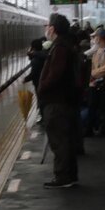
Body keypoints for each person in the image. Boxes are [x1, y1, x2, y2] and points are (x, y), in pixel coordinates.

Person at [37, 14, 82, 189]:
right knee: (66, 140)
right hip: (64, 101)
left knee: (59, 141)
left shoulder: (60, 48)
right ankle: (70, 175)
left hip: (56, 102)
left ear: (53, 29)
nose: (46, 28)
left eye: (47, 25)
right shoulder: (65, 45)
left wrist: (42, 88)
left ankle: (63, 177)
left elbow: (55, 74)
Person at [85, 27, 105, 137]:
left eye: (95, 37)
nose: (93, 39)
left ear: (99, 38)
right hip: (94, 84)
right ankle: (90, 129)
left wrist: (93, 73)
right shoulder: (96, 50)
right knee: (92, 107)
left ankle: (104, 130)